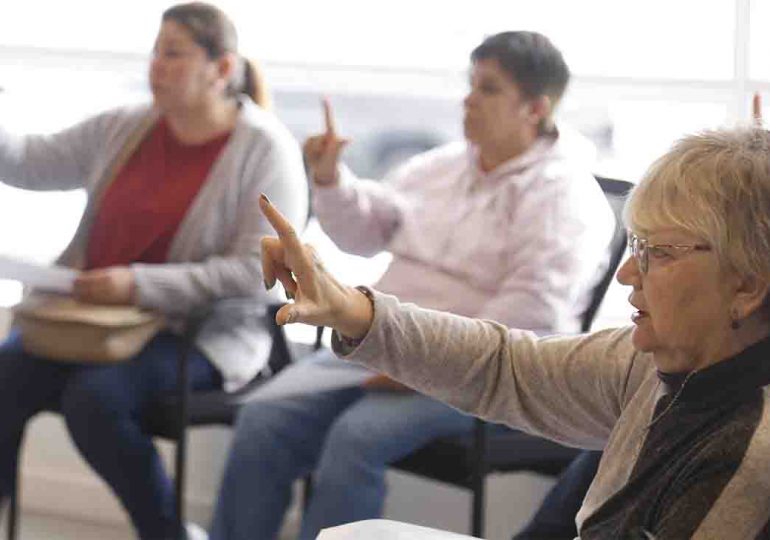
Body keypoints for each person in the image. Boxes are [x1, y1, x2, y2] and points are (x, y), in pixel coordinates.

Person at [259, 124, 770, 539]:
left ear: (747, 286)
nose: (627, 274)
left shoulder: (747, 456)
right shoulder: (658, 363)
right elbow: (506, 365)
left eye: (659, 253)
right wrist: (350, 308)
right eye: (636, 246)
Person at [211, 31, 614, 540]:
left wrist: (420, 361)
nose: (468, 99)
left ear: (534, 108)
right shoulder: (441, 166)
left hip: (475, 369)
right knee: (267, 417)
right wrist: (333, 180)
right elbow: (364, 234)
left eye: (487, 89)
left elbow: (532, 314)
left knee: (354, 437)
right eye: (470, 84)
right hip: (382, 345)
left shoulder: (564, 195)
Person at [0, 3, 307, 539]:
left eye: (173, 54)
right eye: (154, 52)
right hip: (94, 321)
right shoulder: (127, 126)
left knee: (95, 400)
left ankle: (167, 534)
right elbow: (29, 159)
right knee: (4, 374)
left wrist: (138, 284)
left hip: (198, 331)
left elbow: (249, 272)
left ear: (221, 67)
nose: (155, 66)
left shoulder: (264, 148)